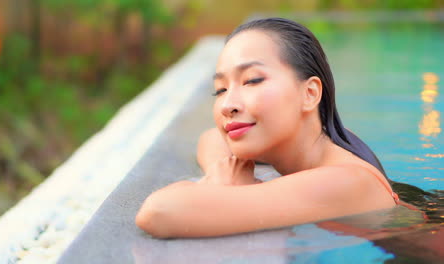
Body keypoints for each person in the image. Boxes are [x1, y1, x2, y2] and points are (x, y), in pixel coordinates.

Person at [135, 17, 400, 238]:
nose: (228, 104)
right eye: (221, 89)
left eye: (252, 80)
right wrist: (226, 173)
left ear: (309, 93)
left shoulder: (346, 182)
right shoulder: (311, 147)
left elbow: (159, 213)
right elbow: (211, 138)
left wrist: (219, 187)